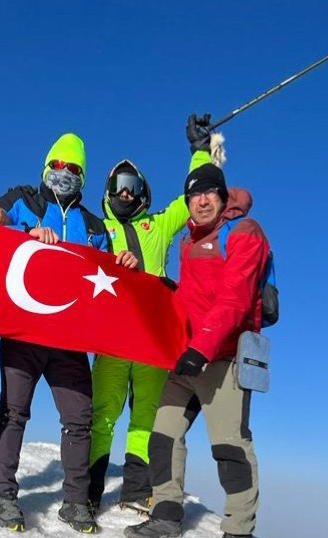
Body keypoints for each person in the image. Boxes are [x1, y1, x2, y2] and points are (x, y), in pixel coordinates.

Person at [0, 133, 137, 534]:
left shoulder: (93, 225)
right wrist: (24, 235)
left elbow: (106, 272)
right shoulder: (23, 201)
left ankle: (74, 501)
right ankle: (3, 494)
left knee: (78, 418)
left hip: (69, 339)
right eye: (59, 166)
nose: (64, 174)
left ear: (83, 178)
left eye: (74, 169)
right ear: (46, 167)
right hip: (25, 330)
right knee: (14, 411)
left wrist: (124, 263)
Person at [124, 153, 271, 538]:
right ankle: (168, 513)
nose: (202, 200)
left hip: (222, 358)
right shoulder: (188, 242)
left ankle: (239, 533)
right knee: (162, 436)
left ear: (223, 197)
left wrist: (201, 349)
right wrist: (148, 284)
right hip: (187, 358)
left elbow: (235, 299)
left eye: (210, 192)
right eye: (195, 194)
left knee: (229, 446)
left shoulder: (244, 232)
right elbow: (188, 298)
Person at [88, 127, 215, 514]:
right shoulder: (97, 229)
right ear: (109, 190)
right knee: (103, 412)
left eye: (133, 185)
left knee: (145, 414)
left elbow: (195, 196)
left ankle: (134, 490)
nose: (126, 192)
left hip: (150, 340)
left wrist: (200, 151)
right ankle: (89, 490)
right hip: (111, 339)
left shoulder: (158, 225)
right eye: (119, 184)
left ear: (142, 191)